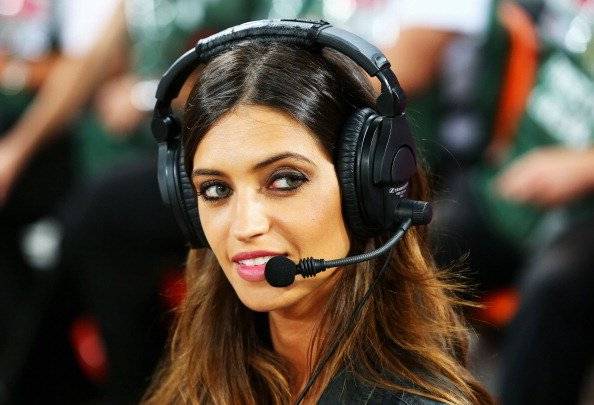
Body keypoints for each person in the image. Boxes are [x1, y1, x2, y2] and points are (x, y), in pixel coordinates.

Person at [143, 21, 493, 404]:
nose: (245, 226)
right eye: (216, 190)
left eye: (285, 180)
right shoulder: (200, 384)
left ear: (365, 188)